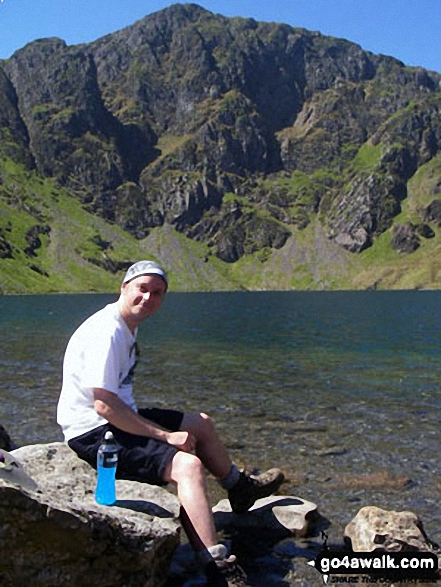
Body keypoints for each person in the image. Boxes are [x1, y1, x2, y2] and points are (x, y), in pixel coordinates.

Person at [57, 260, 284, 584]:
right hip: (93, 431)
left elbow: (115, 402)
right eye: (142, 289)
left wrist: (168, 431)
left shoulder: (124, 326)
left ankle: (239, 488)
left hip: (116, 418)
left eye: (157, 293)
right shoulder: (106, 332)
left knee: (200, 423)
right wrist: (164, 437)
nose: (148, 298)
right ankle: (216, 566)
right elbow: (104, 405)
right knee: (187, 466)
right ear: (124, 287)